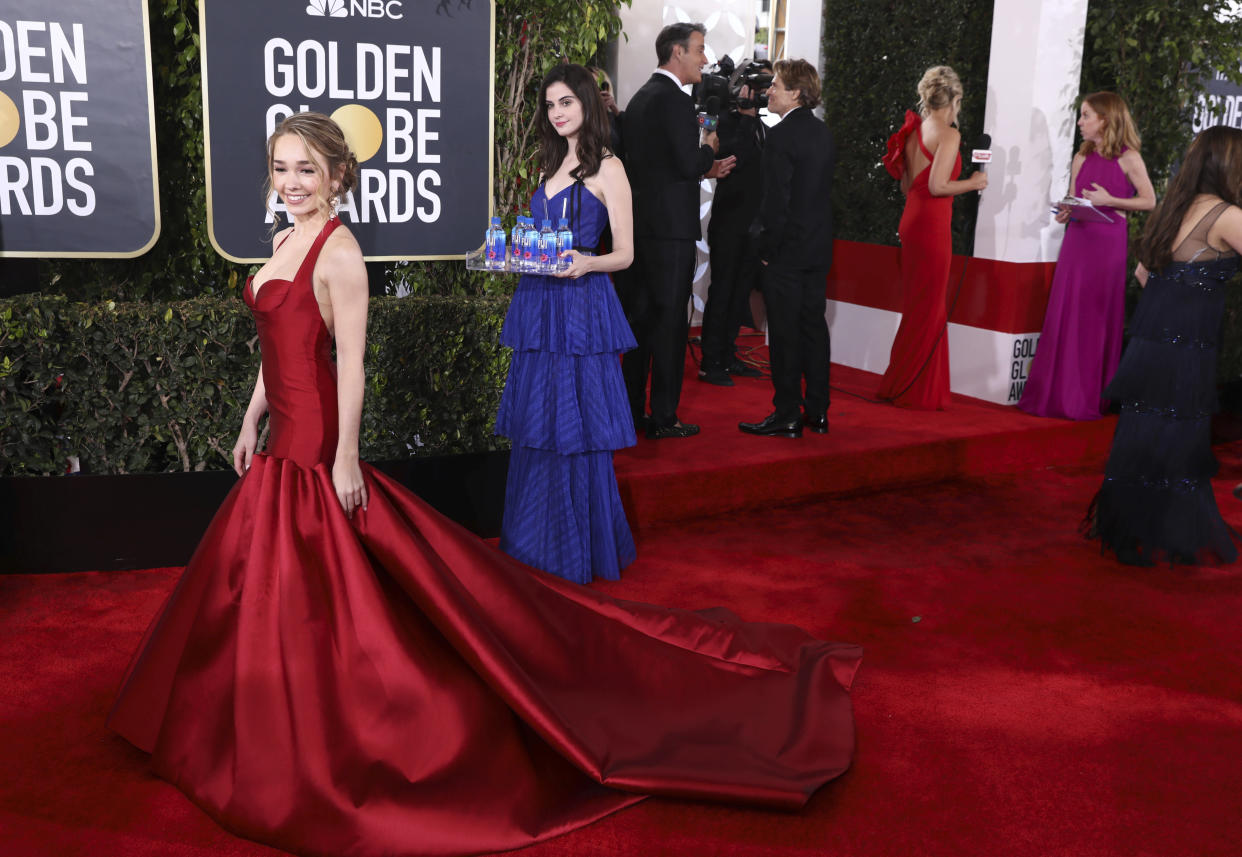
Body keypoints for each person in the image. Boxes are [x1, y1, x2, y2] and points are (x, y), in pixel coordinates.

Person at [106, 113, 862, 857]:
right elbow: (276, 353)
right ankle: (256, 727)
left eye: (307, 168)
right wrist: (249, 421)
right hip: (275, 451)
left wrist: (344, 458)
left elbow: (350, 366)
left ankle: (324, 741)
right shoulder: (280, 243)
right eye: (281, 168)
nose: (293, 182)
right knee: (263, 593)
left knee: (324, 602)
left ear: (338, 175)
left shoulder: (339, 254)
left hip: (313, 456)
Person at [495, 64, 638, 583]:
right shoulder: (548, 167)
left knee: (575, 426)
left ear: (587, 105)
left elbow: (624, 253)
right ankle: (535, 541)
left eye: (566, 103)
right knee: (537, 421)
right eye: (550, 105)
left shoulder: (610, 169)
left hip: (581, 305)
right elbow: (542, 239)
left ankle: (578, 547)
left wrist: (587, 261)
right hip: (538, 302)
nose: (557, 113)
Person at [1088, 124, 1242, 566]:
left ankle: (1131, 524)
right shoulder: (1227, 214)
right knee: (1180, 433)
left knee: (1145, 427)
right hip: (1188, 343)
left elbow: (1142, 275)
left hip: (1153, 338)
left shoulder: (1174, 207)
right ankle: (1171, 531)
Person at [619, 22, 736, 439]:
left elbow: (659, 163)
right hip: (670, 235)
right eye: (699, 50)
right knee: (669, 327)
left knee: (639, 324)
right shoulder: (672, 101)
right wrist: (710, 148)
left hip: (641, 231)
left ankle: (631, 412)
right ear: (676, 53)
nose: (705, 59)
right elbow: (688, 163)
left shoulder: (641, 98)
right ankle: (664, 417)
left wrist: (703, 162)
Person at [1019, 92, 1156, 420]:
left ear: (1105, 120)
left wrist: (1112, 199)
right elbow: (1075, 196)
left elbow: (1149, 200)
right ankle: (1056, 393)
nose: (1080, 122)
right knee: (1068, 312)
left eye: (1086, 116)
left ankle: (1085, 397)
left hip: (1108, 246)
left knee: (1095, 316)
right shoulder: (1080, 157)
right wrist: (1067, 210)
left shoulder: (1129, 157)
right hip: (1077, 241)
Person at [876, 66, 987, 410]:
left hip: (913, 220)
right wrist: (974, 183)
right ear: (954, 99)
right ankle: (916, 390)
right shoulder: (949, 134)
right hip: (932, 226)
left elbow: (908, 185)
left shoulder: (916, 130)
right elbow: (939, 186)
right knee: (930, 306)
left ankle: (904, 382)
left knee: (918, 305)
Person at [738, 59, 835, 438]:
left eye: (776, 85)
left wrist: (766, 248)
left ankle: (786, 415)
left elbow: (777, 204)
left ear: (796, 92)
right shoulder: (823, 133)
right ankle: (819, 412)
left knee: (784, 334)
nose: (769, 91)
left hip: (786, 252)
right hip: (817, 250)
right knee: (814, 328)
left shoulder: (781, 137)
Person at [699, 79, 768, 387]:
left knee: (740, 293)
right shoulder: (720, 122)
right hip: (729, 222)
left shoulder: (760, 124)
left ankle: (728, 355)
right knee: (723, 291)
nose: (763, 95)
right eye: (758, 88)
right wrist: (746, 119)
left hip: (755, 224)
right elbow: (730, 161)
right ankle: (711, 361)